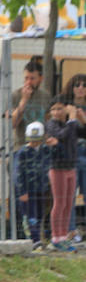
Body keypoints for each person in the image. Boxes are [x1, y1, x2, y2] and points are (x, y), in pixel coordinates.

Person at [43, 95, 83, 251]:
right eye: (54, 109)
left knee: (68, 204)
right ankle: (56, 237)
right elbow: (61, 135)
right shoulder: (51, 125)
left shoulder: (70, 124)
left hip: (70, 167)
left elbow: (82, 132)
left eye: (60, 108)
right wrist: (72, 120)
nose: (57, 112)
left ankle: (64, 235)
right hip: (57, 168)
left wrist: (80, 117)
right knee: (59, 203)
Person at [13, 121, 52, 247]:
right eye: (32, 140)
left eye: (37, 140)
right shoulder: (23, 152)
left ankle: (38, 238)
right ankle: (34, 240)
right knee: (31, 216)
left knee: (40, 213)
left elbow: (50, 164)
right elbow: (18, 173)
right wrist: (22, 192)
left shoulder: (46, 150)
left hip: (41, 188)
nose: (34, 143)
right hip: (27, 190)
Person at [9, 58, 51, 149]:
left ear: (40, 79)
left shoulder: (46, 96)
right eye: (26, 78)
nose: (28, 82)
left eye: (32, 78)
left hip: (41, 146)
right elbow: (12, 124)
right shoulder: (15, 95)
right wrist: (24, 100)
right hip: (21, 146)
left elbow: (48, 121)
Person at [69, 73, 86, 234]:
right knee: (69, 196)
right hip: (72, 155)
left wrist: (83, 118)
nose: (80, 88)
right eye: (77, 85)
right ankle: (71, 232)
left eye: (84, 85)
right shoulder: (68, 107)